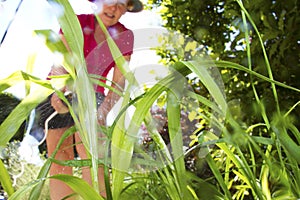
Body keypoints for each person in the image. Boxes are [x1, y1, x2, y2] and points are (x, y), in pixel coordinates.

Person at [43, 0, 143, 199]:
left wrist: (103, 111)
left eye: (122, 4)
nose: (114, 8)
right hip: (61, 90)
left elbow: (119, 80)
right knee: (60, 156)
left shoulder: (124, 36)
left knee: (94, 154)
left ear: (127, 10)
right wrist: (59, 91)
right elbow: (61, 61)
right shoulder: (76, 22)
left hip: (94, 97)